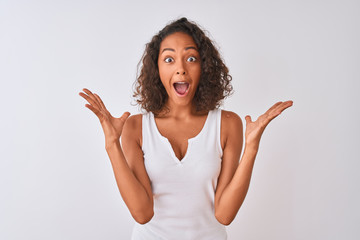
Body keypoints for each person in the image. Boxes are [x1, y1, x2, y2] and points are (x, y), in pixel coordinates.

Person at [79, 17, 293, 240]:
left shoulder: (228, 124)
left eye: (191, 58)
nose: (181, 69)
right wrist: (112, 144)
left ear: (204, 66)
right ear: (157, 69)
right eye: (169, 59)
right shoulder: (136, 127)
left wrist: (251, 149)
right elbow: (142, 213)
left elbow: (224, 214)